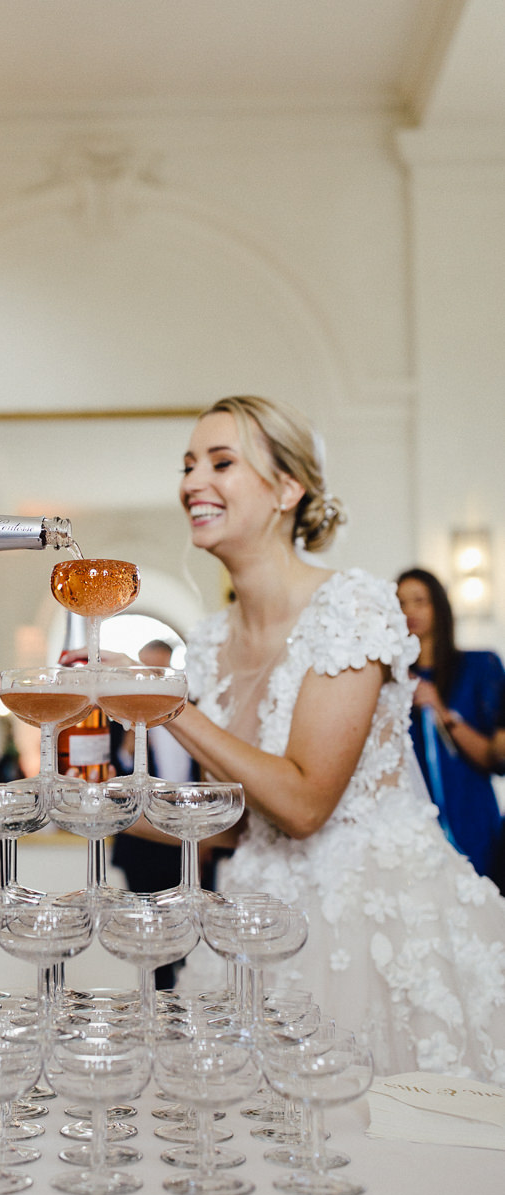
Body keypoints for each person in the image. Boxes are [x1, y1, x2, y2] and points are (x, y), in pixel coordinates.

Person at [89, 394, 505, 1081]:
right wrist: (94, 804)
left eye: (222, 462)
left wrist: (164, 705)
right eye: (188, 465)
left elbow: (306, 802)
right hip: (255, 923)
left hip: (380, 931)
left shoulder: (353, 606)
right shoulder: (210, 639)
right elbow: (230, 824)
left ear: (288, 488)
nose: (192, 482)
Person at [395, 568, 505, 884]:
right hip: (414, 824)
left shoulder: (480, 666)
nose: (409, 611)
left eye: (419, 601)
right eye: (401, 603)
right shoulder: (392, 680)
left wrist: (440, 710)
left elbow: (491, 758)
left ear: (439, 607)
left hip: (469, 814)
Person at [109, 640, 199, 988]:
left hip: (190, 844)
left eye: (158, 672)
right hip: (141, 849)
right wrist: (130, 744)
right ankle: (156, 1007)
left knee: (189, 937)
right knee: (151, 942)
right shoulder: (116, 717)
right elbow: (110, 773)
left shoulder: (192, 713)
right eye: (145, 670)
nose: (150, 679)